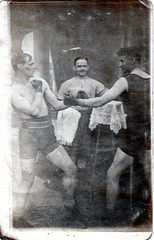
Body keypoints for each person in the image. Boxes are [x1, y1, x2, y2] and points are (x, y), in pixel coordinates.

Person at [64, 47, 151, 225]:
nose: (119, 65)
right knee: (147, 174)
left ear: (133, 60)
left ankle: (110, 217)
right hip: (147, 134)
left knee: (112, 174)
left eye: (122, 61)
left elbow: (100, 101)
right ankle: (144, 212)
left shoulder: (125, 80)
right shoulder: (150, 78)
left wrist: (76, 101)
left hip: (134, 135)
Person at [11, 51, 77, 227]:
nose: (34, 66)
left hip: (47, 133)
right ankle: (17, 218)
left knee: (70, 168)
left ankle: (71, 210)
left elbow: (56, 104)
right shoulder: (13, 91)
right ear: (20, 66)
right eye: (30, 64)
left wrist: (73, 101)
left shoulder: (42, 82)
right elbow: (33, 111)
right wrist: (38, 91)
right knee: (28, 179)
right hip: (29, 137)